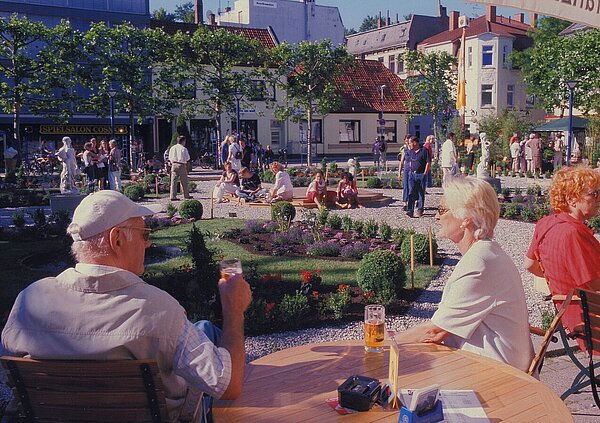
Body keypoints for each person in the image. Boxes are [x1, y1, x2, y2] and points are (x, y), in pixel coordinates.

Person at [0, 191, 252, 422]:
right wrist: (233, 309)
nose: (148, 244)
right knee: (205, 331)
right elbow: (227, 384)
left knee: (203, 328)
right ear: (117, 239)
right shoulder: (157, 310)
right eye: (144, 234)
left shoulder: (28, 302)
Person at [394, 176, 534, 372]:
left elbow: (434, 332)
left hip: (497, 376)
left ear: (465, 219)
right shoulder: (488, 252)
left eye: (442, 210)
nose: (436, 217)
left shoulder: (479, 263)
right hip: (497, 365)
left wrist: (385, 342)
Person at [524, 166, 600, 351]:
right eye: (594, 194)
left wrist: (560, 282)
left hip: (572, 315)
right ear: (572, 198)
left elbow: (529, 264)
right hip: (591, 325)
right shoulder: (574, 233)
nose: (599, 198)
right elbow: (596, 284)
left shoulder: (546, 224)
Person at [405, 136, 431, 218]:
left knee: (421, 193)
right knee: (411, 192)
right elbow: (409, 161)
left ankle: (420, 209)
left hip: (421, 175)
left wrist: (425, 173)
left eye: (410, 142)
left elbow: (428, 162)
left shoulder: (424, 151)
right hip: (412, 175)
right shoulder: (411, 151)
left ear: (415, 142)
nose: (409, 144)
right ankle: (410, 210)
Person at [168, 135, 192, 201]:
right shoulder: (183, 149)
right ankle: (186, 195)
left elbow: (170, 157)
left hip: (174, 164)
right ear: (183, 141)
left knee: (173, 181)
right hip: (181, 164)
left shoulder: (172, 148)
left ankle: (173, 196)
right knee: (184, 181)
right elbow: (187, 158)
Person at [398, 135, 412, 210]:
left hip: (413, 169)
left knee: (412, 186)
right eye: (406, 140)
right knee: (406, 186)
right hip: (406, 169)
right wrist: (399, 172)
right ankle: (405, 203)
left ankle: (412, 202)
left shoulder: (413, 148)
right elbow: (401, 161)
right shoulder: (404, 149)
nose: (407, 142)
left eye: (408, 140)